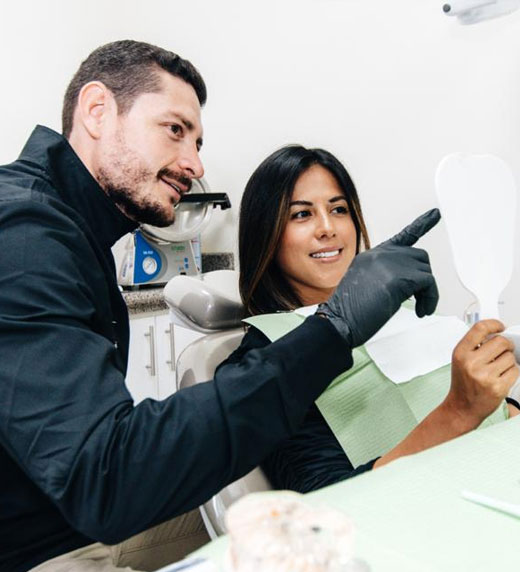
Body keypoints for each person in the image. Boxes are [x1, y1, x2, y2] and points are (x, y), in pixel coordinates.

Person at [0, 41, 440, 572]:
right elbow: (103, 478)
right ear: (97, 111)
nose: (195, 164)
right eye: (175, 130)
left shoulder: (77, 235)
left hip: (69, 515)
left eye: (197, 141)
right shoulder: (24, 236)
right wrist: (332, 330)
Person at [221, 144, 520, 493]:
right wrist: (459, 412)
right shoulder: (259, 364)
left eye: (339, 209)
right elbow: (330, 497)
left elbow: (497, 411)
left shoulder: (403, 313)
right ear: (265, 233)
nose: (327, 228)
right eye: (301, 215)